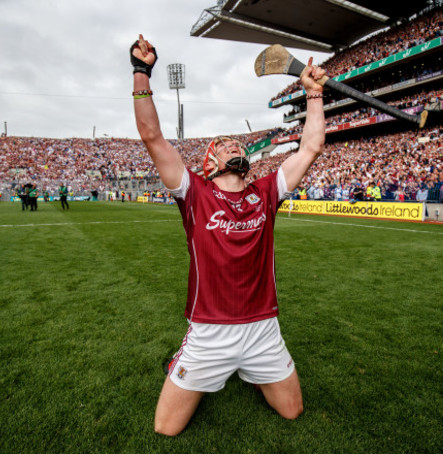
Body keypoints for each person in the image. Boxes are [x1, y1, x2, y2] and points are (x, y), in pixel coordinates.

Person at [131, 34, 326, 436]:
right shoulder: (194, 193)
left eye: (236, 143)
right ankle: (192, 362)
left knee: (292, 411)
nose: (233, 145)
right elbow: (152, 137)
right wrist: (141, 72)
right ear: (209, 164)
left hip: (263, 328)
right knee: (166, 428)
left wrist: (314, 95)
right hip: (209, 330)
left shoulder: (266, 191)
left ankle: (252, 370)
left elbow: (311, 147)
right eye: (223, 146)